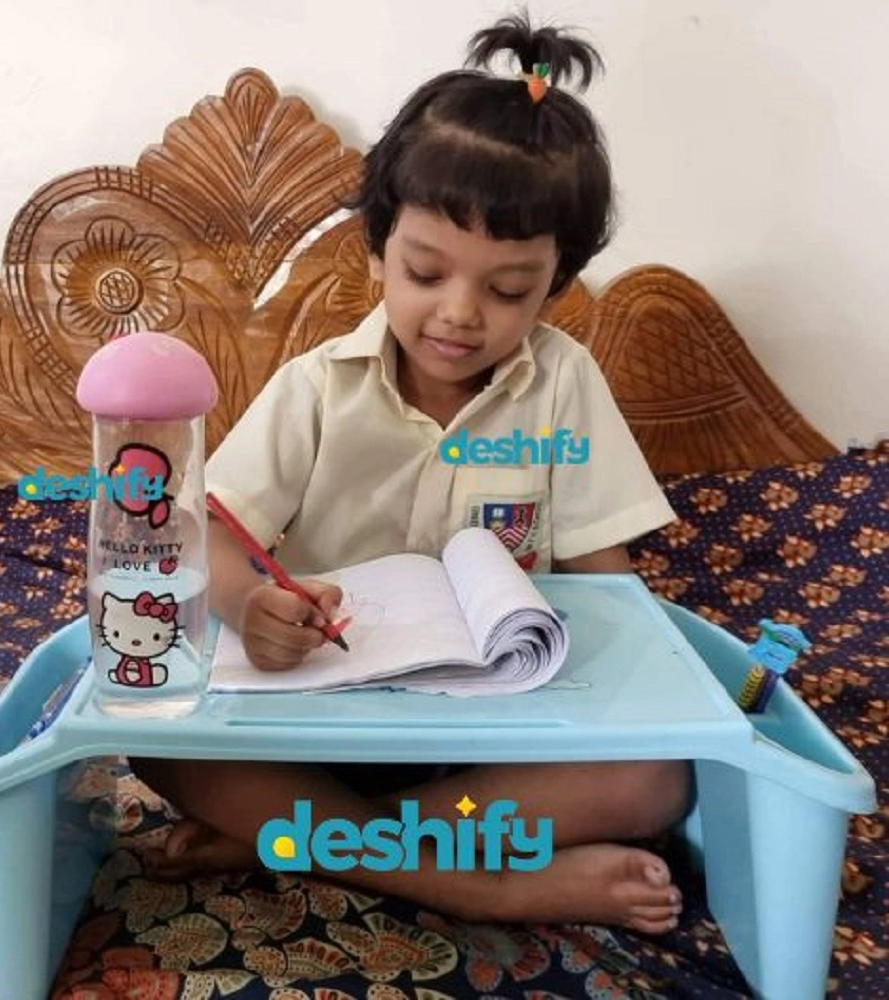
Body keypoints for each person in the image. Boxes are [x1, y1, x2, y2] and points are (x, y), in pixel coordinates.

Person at [133, 12, 690, 934]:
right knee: (149, 741)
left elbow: (607, 586)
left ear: (554, 284)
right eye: (426, 272)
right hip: (322, 726)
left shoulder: (563, 384)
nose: (460, 314)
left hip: (490, 744)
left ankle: (297, 841)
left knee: (652, 779)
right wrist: (249, 611)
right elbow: (210, 534)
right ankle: (485, 884)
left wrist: (674, 689)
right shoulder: (317, 388)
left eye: (509, 290)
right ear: (379, 248)